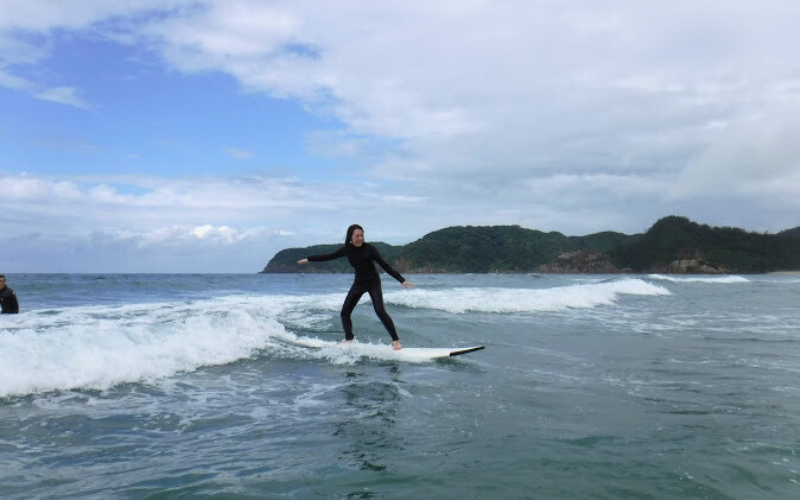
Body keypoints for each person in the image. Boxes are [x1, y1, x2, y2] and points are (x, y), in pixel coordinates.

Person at [297, 224, 414, 350]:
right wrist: (309, 259)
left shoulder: (370, 249)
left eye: (362, 235)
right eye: (357, 236)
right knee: (345, 312)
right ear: (350, 237)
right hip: (359, 283)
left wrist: (401, 280)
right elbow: (328, 256)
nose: (360, 238)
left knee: (380, 311)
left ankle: (396, 341)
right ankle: (349, 339)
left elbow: (384, 265)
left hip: (373, 282)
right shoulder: (347, 249)